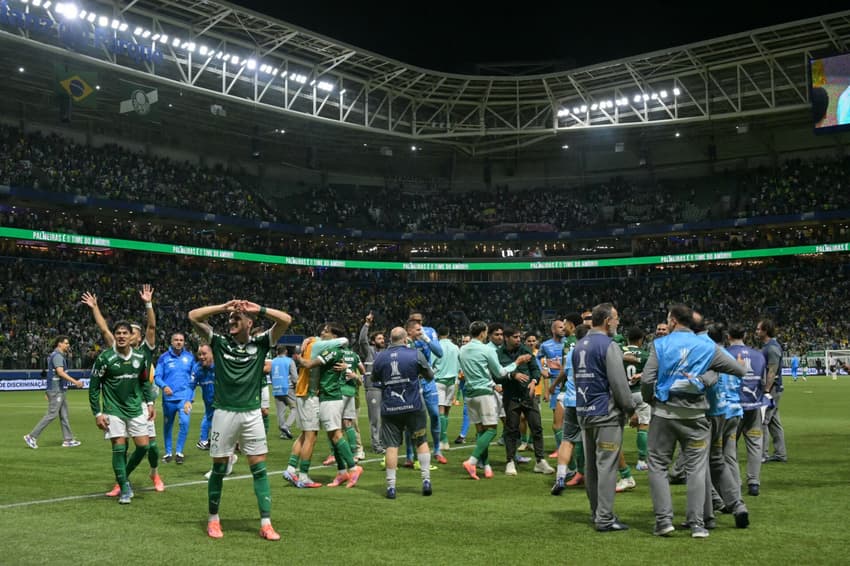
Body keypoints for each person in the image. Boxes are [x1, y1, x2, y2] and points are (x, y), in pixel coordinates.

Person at [188, 299, 292, 541]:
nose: (231, 321)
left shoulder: (261, 342)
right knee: (219, 468)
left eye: (237, 318)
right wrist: (224, 307)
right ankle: (213, 519)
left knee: (259, 469)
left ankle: (266, 523)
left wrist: (260, 309)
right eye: (230, 319)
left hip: (251, 413)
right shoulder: (220, 342)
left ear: (249, 323)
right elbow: (193, 316)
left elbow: (286, 320)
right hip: (224, 413)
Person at [640, 304, 746, 538]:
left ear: (673, 320)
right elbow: (738, 370)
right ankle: (697, 524)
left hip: (665, 413)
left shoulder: (661, 344)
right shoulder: (707, 346)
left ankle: (663, 521)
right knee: (697, 469)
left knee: (658, 465)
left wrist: (651, 400)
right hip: (696, 416)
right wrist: (703, 378)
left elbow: (647, 379)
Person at [81, 286, 164, 494]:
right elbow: (104, 330)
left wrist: (148, 303)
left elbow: (152, 326)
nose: (128, 334)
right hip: (119, 404)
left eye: (132, 331)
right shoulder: (115, 349)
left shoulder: (144, 350)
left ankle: (154, 473)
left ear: (137, 336)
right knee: (122, 445)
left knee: (151, 447)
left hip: (143, 403)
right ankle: (122, 482)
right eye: (125, 331)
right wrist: (95, 307)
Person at [573, 303, 635, 532]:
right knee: (607, 466)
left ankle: (596, 512)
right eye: (616, 318)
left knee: (591, 467)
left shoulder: (579, 345)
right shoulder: (609, 345)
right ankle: (605, 518)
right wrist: (631, 409)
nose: (618, 322)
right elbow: (619, 384)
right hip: (605, 414)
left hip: (584, 412)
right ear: (608, 320)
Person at [89, 321, 156, 504]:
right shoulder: (105, 358)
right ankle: (125, 489)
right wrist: (97, 413)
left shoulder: (140, 357)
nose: (121, 336)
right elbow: (94, 387)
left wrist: (150, 402)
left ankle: (123, 476)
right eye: (118, 333)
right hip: (113, 409)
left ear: (131, 336)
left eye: (125, 333)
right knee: (119, 449)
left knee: (144, 446)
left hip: (135, 407)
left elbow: (144, 381)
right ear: (115, 335)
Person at [459, 321, 531, 480]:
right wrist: (517, 363)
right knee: (491, 430)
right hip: (484, 392)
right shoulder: (487, 350)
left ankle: (486, 467)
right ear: (483, 333)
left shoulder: (462, 349)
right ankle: (472, 461)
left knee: (481, 431)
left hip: (469, 394)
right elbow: (500, 373)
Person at [295, 322, 363, 488]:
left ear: (334, 336)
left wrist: (297, 356)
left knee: (336, 434)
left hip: (331, 397)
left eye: (326, 332)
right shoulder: (336, 350)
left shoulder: (332, 351)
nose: (322, 334)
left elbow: (308, 365)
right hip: (327, 396)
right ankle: (341, 472)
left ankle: (353, 468)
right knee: (332, 437)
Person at [372, 327, 436, 498]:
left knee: (391, 446)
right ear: (405, 338)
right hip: (413, 406)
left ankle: (391, 487)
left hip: (390, 408)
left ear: (390, 339)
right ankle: (426, 480)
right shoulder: (415, 354)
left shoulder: (380, 357)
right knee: (421, 441)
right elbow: (430, 375)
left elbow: (374, 379)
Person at [497, 326, 552, 475]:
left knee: (537, 427)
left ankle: (540, 461)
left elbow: (535, 369)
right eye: (515, 337)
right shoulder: (499, 354)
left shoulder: (525, 349)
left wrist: (534, 381)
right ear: (506, 338)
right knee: (511, 430)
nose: (518, 340)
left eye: (519, 337)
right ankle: (510, 461)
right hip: (511, 396)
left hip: (528, 395)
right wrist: (513, 375)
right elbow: (497, 375)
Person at [728, 323, 767, 497]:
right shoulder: (758, 355)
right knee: (755, 445)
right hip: (754, 406)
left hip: (733, 407)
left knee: (730, 446)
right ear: (744, 335)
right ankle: (754, 483)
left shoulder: (724, 354)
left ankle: (735, 482)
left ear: (728, 336)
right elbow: (763, 382)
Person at [24, 335, 83, 449]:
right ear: (59, 344)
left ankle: (68, 440)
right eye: (66, 343)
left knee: (64, 415)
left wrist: (48, 390)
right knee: (52, 414)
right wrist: (75, 382)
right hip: (57, 390)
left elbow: (51, 374)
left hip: (59, 389)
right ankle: (31, 436)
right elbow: (60, 372)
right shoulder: (57, 356)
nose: (68, 345)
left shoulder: (56, 355)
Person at [155, 333, 195, 464]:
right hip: (169, 399)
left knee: (185, 423)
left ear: (184, 342)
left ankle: (179, 452)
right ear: (171, 342)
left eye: (181, 340)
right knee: (168, 426)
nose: (179, 342)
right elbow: (157, 376)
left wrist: (191, 397)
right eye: (176, 340)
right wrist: (164, 386)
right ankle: (168, 453)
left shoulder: (190, 358)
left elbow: (194, 378)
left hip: (184, 398)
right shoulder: (163, 358)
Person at [758, 319, 787, 463]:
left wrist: (766, 390)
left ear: (765, 331)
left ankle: (762, 454)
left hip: (772, 388)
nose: (756, 332)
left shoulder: (771, 348)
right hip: (773, 388)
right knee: (774, 422)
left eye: (758, 329)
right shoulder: (768, 346)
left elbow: (772, 370)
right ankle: (780, 454)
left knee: (763, 420)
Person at [357, 312, 386, 454]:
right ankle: (377, 445)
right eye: (379, 338)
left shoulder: (387, 352)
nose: (382, 340)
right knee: (376, 419)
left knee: (386, 417)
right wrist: (367, 324)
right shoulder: (369, 351)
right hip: (373, 388)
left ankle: (384, 442)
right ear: (373, 341)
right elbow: (362, 340)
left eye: (383, 338)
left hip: (386, 388)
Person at [434, 326, 460, 455]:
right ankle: (444, 440)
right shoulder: (455, 347)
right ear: (449, 333)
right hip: (452, 381)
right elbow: (459, 365)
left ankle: (443, 440)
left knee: (440, 411)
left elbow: (431, 363)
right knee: (447, 412)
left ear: (438, 334)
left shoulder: (436, 346)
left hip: (439, 381)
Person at [190, 344, 216, 450]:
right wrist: (188, 399)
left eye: (204, 354)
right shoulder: (197, 368)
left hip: (223, 398)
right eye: (199, 354)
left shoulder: (220, 365)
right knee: (209, 417)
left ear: (212, 353)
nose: (201, 357)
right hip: (209, 398)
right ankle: (204, 441)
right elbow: (190, 385)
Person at [270, 345, 297, 440]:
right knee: (295, 408)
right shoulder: (290, 361)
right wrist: (296, 386)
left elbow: (271, 375)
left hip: (277, 388)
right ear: (286, 351)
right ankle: (286, 426)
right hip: (288, 388)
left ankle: (283, 434)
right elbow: (294, 377)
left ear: (277, 352)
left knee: (280, 412)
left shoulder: (273, 361)